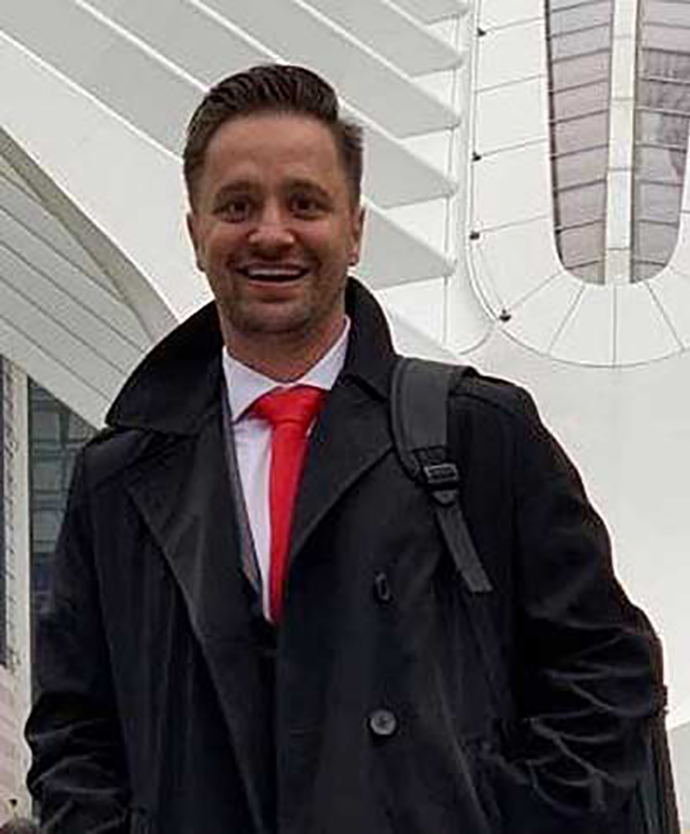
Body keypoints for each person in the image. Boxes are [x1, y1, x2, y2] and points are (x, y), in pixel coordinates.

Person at [26, 64, 663, 833]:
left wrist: (497, 817)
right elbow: (73, 732)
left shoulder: (478, 435)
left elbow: (608, 673)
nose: (271, 233)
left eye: (305, 203)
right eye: (237, 205)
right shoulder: (118, 479)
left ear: (355, 230)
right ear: (195, 234)